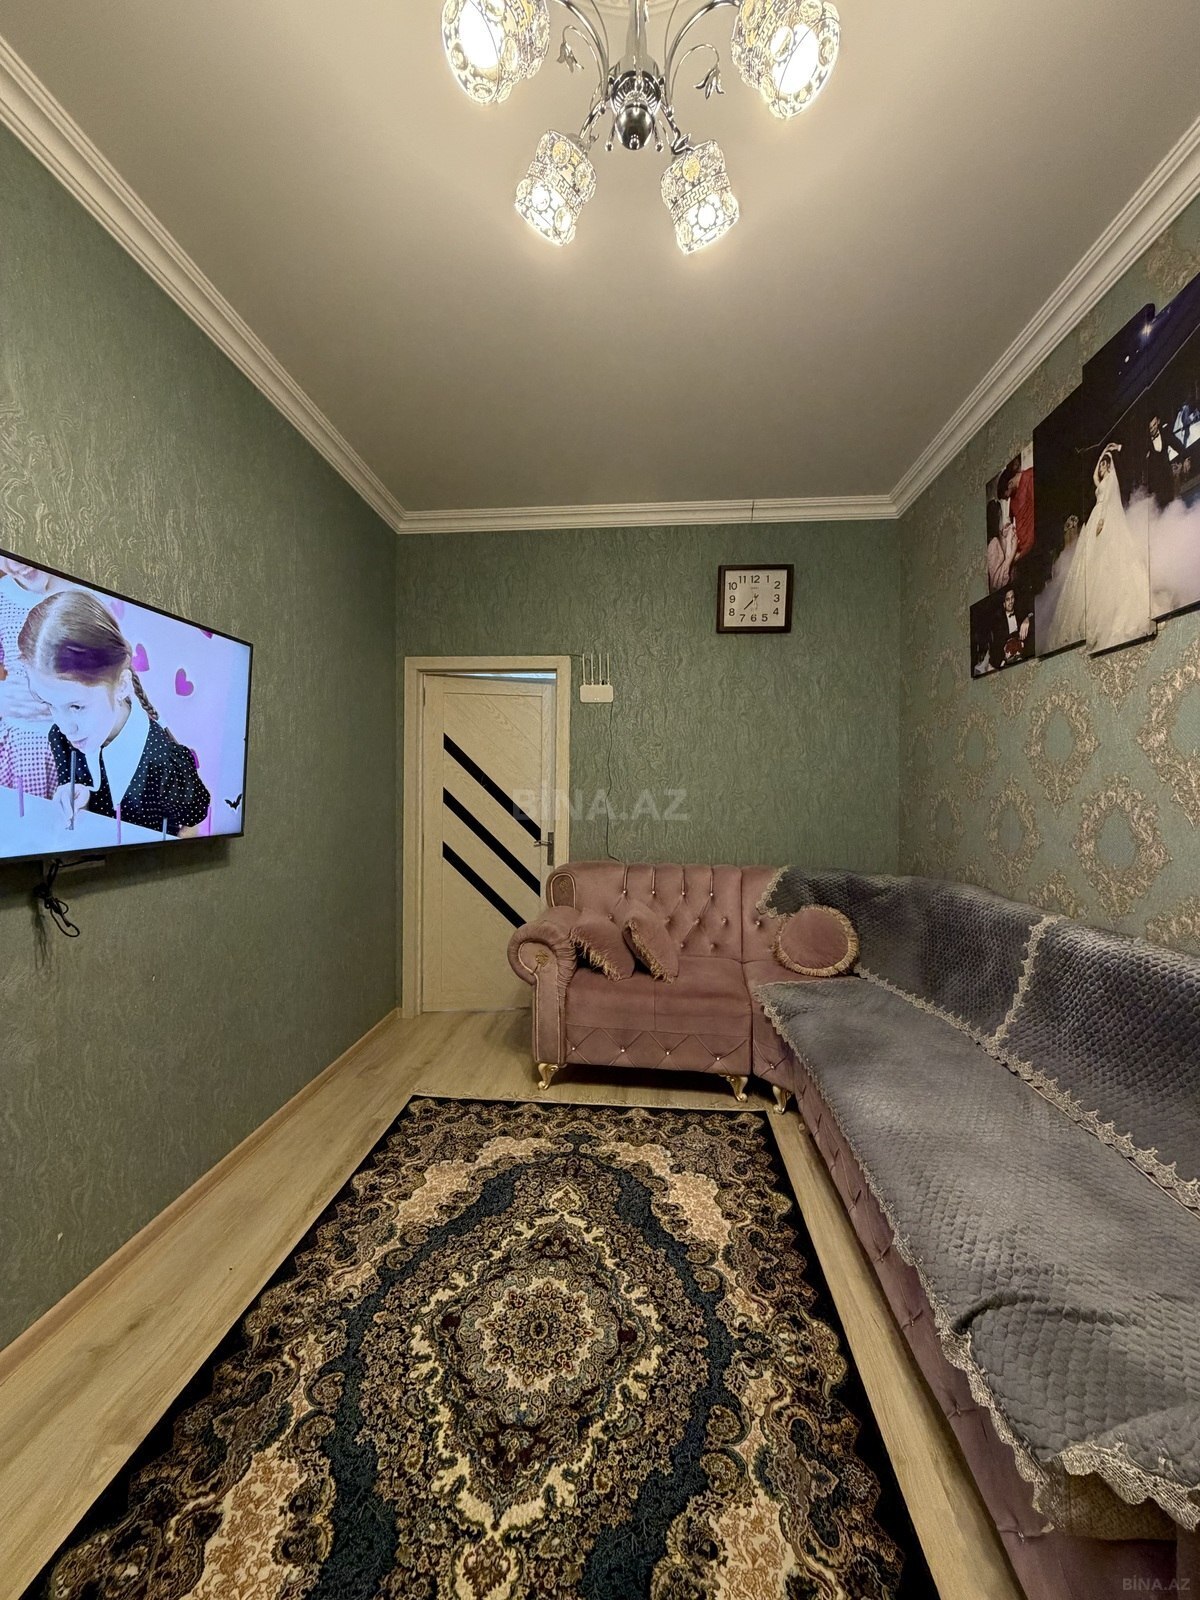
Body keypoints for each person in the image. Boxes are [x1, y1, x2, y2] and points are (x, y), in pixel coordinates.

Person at [18, 590, 210, 836]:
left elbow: (192, 829)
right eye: (49, 705)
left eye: (76, 706)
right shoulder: (61, 739)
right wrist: (80, 798)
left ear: (121, 685)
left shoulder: (165, 763)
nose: (65, 726)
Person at [1046, 444, 1153, 653]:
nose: (1101, 469)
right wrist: (1104, 451)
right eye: (1102, 466)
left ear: (1108, 466)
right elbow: (1094, 476)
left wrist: (1102, 520)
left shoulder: (1111, 479)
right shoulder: (1101, 480)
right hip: (1096, 515)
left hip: (1103, 516)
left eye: (1104, 466)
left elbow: (1108, 500)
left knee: (1104, 558)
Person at [0, 556, 68, 798]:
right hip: (22, 740)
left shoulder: (79, 594)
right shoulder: (2, 597)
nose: (16, 563)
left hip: (72, 739)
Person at [999, 456, 1035, 560]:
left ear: (1010, 484)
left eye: (1006, 496)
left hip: (1033, 546)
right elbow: (1011, 520)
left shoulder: (1029, 477)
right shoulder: (1013, 496)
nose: (1008, 499)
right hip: (1020, 548)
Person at [1145, 414, 1182, 511]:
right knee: (1160, 510)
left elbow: (1178, 446)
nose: (1152, 429)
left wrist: (1182, 461)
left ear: (1158, 422)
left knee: (1173, 506)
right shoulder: (1145, 443)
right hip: (1155, 485)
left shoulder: (1165, 434)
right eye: (1150, 428)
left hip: (1168, 479)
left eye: (1154, 425)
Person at [990, 586, 1032, 668]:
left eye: (1012, 598)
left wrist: (1027, 618)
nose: (1011, 601)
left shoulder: (1020, 612)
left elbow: (1031, 612)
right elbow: (997, 645)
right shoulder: (998, 621)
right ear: (1003, 603)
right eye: (1007, 599)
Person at [986, 497, 1017, 590]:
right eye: (1000, 516)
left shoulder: (998, 535)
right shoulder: (992, 545)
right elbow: (997, 582)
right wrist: (1013, 553)